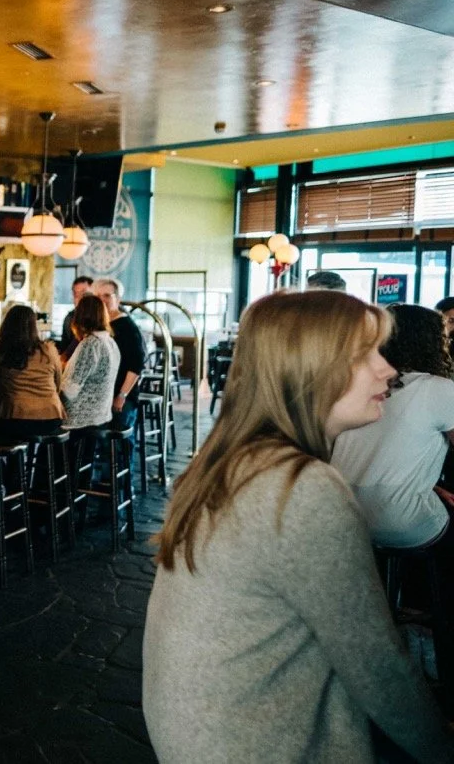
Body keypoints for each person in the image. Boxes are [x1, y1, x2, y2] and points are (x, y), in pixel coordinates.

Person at [143, 291, 453, 763]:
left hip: (199, 732)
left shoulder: (238, 460)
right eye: (364, 355)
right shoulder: (300, 488)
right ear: (310, 369)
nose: (387, 369)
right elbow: (378, 668)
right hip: (256, 743)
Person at [333, 304, 454, 548]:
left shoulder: (349, 381)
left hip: (340, 514)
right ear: (432, 342)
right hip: (399, 521)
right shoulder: (438, 388)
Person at [0, 304, 65, 442]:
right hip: (51, 417)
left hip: (14, 418)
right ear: (34, 326)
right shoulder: (48, 350)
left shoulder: (2, 352)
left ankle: (12, 463)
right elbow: (58, 382)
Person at [59, 295, 120, 431]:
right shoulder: (110, 341)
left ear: (79, 317)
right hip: (101, 415)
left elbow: (70, 390)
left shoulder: (90, 344)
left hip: (79, 420)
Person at [93, 278, 144, 430]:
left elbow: (136, 365)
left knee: (118, 445)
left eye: (107, 295)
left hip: (121, 396)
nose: (102, 300)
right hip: (103, 396)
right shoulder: (100, 324)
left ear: (118, 299)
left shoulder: (127, 326)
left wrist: (122, 396)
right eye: (99, 296)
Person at [56, 275, 93, 359]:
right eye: (76, 295)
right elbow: (65, 349)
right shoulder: (69, 318)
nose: (80, 298)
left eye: (84, 294)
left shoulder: (101, 318)